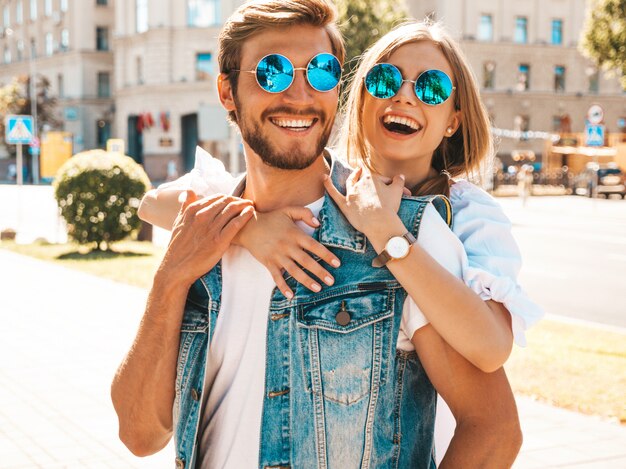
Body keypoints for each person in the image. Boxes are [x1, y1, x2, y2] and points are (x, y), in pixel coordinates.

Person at [111, 1, 522, 468]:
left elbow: (494, 429)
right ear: (227, 91)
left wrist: (390, 238)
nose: (300, 93)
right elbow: (140, 435)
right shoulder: (202, 229)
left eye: (323, 71)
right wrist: (170, 279)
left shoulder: (404, 234)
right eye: (272, 71)